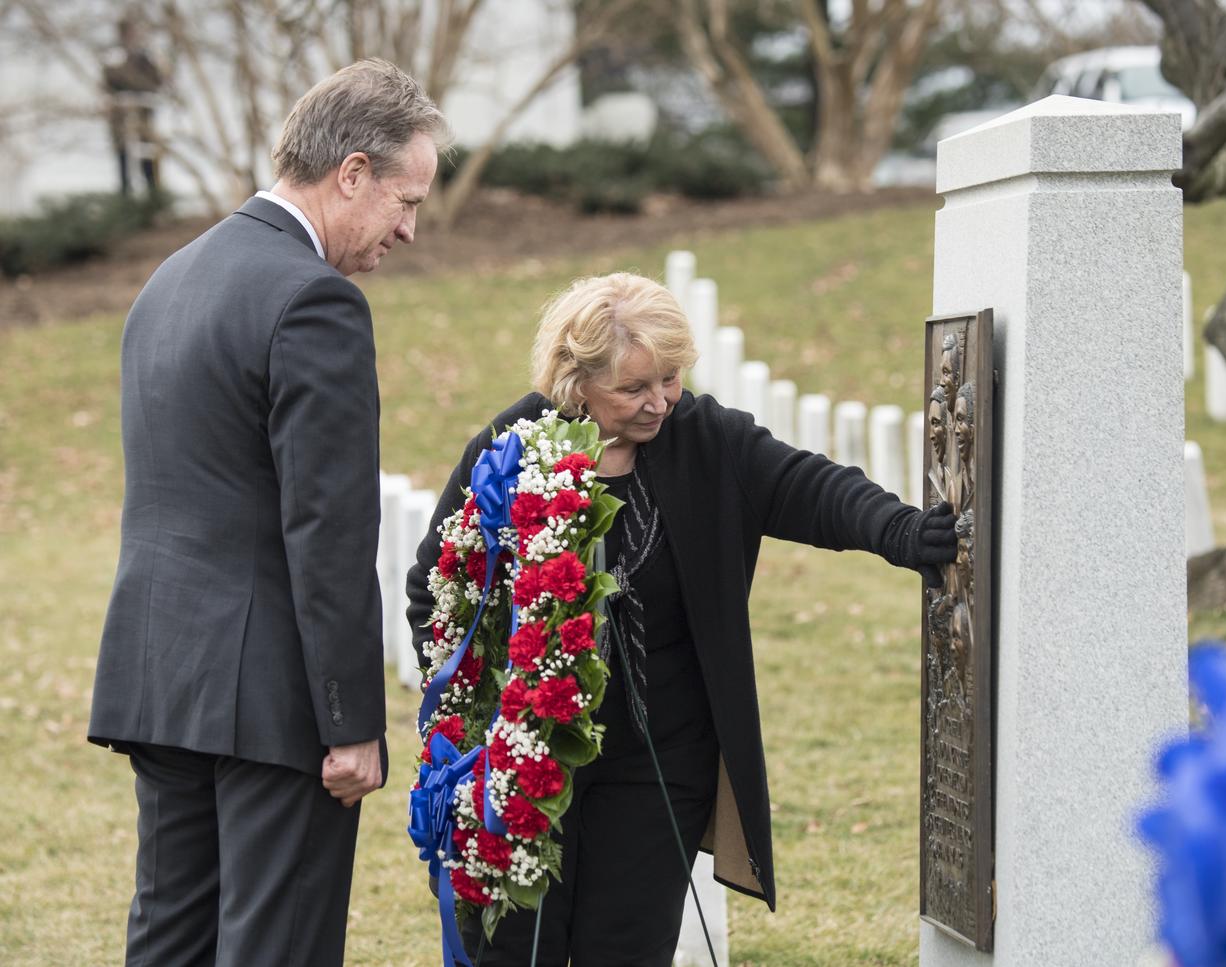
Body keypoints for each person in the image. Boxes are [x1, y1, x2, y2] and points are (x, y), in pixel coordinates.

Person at [405, 272, 958, 966]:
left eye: (669, 378)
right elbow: (437, 585)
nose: (660, 400)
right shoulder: (512, 447)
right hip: (523, 762)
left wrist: (902, 532)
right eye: (636, 387)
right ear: (577, 380)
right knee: (514, 950)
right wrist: (472, 712)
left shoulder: (705, 440)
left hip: (659, 762)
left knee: (628, 949)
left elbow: (807, 486)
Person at [89, 59, 449, 967]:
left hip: (163, 674)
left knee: (169, 940)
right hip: (272, 697)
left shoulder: (170, 278)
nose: (409, 229)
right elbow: (327, 530)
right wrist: (349, 718)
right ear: (352, 173)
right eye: (406, 199)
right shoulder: (315, 299)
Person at [102, 11, 164, 196]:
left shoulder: (145, 57)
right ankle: (126, 203)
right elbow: (110, 81)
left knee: (148, 160)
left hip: (143, 115)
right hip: (121, 118)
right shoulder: (113, 56)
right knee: (123, 159)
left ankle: (153, 200)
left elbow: (155, 82)